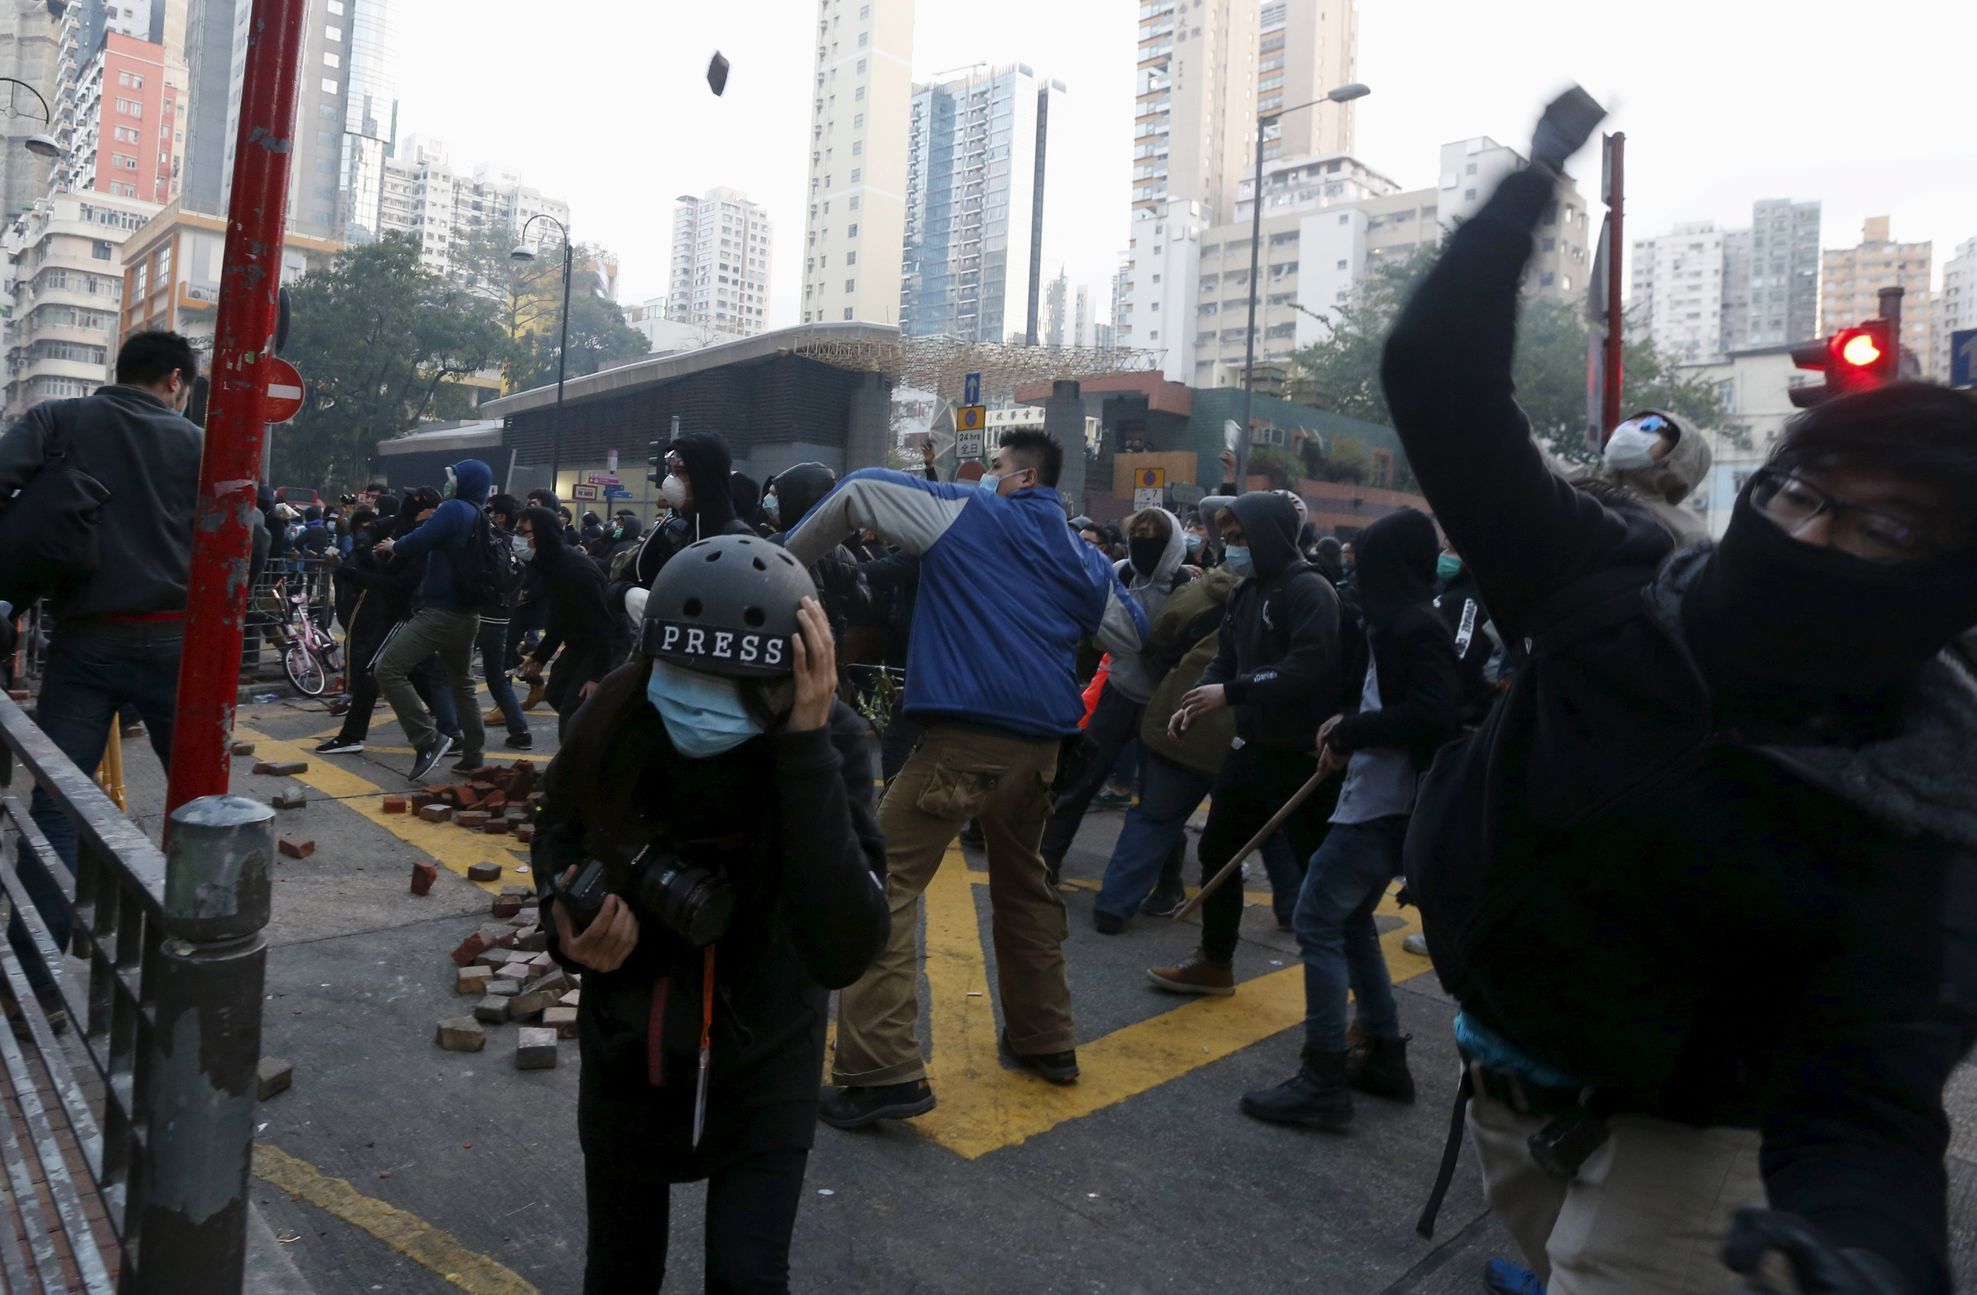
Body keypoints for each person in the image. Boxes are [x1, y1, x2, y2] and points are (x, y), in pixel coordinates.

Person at [1383, 87, 1977, 1295]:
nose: (1816, 534)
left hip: (1704, 1143)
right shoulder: (1604, 585)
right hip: (1504, 1075)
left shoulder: (1926, 795)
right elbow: (1440, 381)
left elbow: (1869, 1088)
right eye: (1803, 495)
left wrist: (1870, 1246)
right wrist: (1526, 191)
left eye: (1883, 528)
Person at [531, 534, 888, 1294]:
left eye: (728, 685)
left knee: (746, 1271)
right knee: (619, 1269)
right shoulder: (616, 716)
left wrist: (805, 748)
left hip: (764, 1056)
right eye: (680, 674)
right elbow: (556, 831)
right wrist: (563, 922)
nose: (696, 700)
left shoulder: (832, 746)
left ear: (792, 675)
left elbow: (842, 946)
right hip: (630, 1045)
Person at [785, 429, 1147, 1125]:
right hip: (1041, 747)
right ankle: (1046, 1039)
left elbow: (860, 488)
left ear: (1022, 477)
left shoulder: (967, 512)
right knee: (1025, 887)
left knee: (881, 885)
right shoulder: (1080, 554)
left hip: (964, 736)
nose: (984, 475)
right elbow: (1129, 636)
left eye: (997, 467)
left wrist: (773, 563)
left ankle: (881, 1069)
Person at [0, 330, 202, 1025]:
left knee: (58, 805)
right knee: (201, 808)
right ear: (175, 379)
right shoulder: (199, 444)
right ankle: (198, 978)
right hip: (180, 643)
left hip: (86, 639)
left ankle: (32, 989)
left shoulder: (61, 420)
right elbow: (252, 534)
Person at [1239, 507, 1461, 1129]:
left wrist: (1355, 729)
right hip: (1377, 795)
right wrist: (1348, 725)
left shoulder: (1416, 626)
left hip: (1385, 803)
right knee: (1353, 920)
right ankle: (1384, 1054)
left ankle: (1323, 1074)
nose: (1358, 576)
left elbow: (1435, 712)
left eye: (1369, 565)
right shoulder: (1399, 622)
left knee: (1315, 918)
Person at [1145, 492, 1341, 997]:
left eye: (1239, 539)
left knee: (1320, 874)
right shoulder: (1246, 590)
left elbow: (1308, 667)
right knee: (1219, 849)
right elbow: (1225, 659)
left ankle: (1358, 1003)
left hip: (1302, 758)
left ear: (1270, 536)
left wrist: (1230, 692)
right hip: (1251, 745)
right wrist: (1193, 703)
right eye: (1228, 539)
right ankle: (1215, 962)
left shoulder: (1309, 591)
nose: (1232, 549)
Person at [1038, 506, 1192, 896]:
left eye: (1152, 537)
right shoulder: (1121, 571)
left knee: (1158, 799)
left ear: (1170, 543)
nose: (1142, 543)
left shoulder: (1185, 588)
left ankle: (1168, 884)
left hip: (1160, 705)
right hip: (1117, 693)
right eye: (1136, 533)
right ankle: (1046, 863)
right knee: (1078, 782)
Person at [318, 488, 463, 755]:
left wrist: (361, 574)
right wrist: (363, 552)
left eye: (417, 502)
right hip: (396, 611)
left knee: (374, 670)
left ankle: (432, 738)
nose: (410, 504)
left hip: (405, 613)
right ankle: (453, 734)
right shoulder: (402, 523)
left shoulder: (426, 536)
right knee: (420, 672)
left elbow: (402, 583)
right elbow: (369, 529)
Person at [372, 460, 491, 779]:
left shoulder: (454, 509)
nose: (448, 484)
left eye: (452, 478)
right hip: (468, 614)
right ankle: (473, 755)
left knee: (388, 669)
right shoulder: (480, 514)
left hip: (441, 613)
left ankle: (427, 739)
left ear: (465, 483)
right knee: (462, 684)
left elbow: (420, 539)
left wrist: (395, 545)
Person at [517, 506, 620, 738]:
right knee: (555, 693)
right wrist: (540, 657)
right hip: (578, 643)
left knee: (572, 712)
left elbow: (605, 627)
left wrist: (596, 676)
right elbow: (561, 618)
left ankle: (578, 766)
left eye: (523, 532)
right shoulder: (547, 565)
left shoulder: (575, 571)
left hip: (600, 646)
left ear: (541, 534)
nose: (517, 537)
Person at [763, 462, 872, 648]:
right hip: (826, 653)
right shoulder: (845, 555)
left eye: (775, 495)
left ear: (794, 500)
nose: (768, 500)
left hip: (784, 649)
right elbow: (861, 606)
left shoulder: (774, 547)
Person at [634, 434, 756, 588]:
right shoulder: (672, 526)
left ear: (705, 478)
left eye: (680, 472)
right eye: (672, 472)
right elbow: (629, 576)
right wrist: (626, 593)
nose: (672, 481)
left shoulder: (740, 541)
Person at [476, 493, 531, 751]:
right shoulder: (520, 546)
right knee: (497, 677)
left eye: (490, 511)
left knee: (447, 671)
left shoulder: (492, 542)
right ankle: (520, 731)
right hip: (502, 618)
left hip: (482, 616)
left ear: (500, 516)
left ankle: (452, 730)